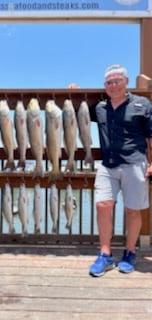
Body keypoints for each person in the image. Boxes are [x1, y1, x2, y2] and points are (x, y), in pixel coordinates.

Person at [87, 64, 152, 277]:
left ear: (126, 82)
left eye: (117, 81)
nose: (113, 85)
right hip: (108, 165)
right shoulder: (99, 108)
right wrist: (73, 90)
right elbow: (74, 115)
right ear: (104, 86)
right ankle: (105, 254)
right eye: (109, 82)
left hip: (135, 163)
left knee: (133, 210)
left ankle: (130, 252)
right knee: (103, 205)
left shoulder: (142, 104)